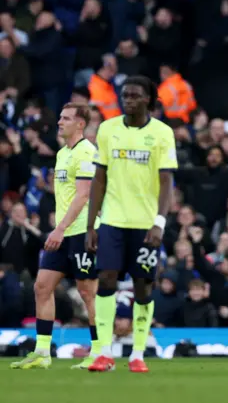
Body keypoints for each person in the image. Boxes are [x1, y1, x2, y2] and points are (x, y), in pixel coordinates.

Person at [85, 76, 178, 373]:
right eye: (125, 95)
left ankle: (137, 353)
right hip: (112, 220)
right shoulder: (107, 129)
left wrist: (160, 222)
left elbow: (166, 181)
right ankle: (103, 351)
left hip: (146, 223)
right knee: (107, 279)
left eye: (135, 96)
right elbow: (99, 178)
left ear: (148, 100)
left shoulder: (162, 133)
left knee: (142, 286)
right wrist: (92, 225)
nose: (128, 100)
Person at [10, 103, 99, 370]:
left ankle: (99, 352)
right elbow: (67, 191)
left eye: (66, 118)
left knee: (87, 292)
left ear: (80, 124)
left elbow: (84, 196)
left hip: (83, 232)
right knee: (42, 286)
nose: (60, 122)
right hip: (62, 230)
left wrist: (59, 228)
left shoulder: (87, 152)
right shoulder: (62, 153)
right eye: (60, 117)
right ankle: (42, 352)